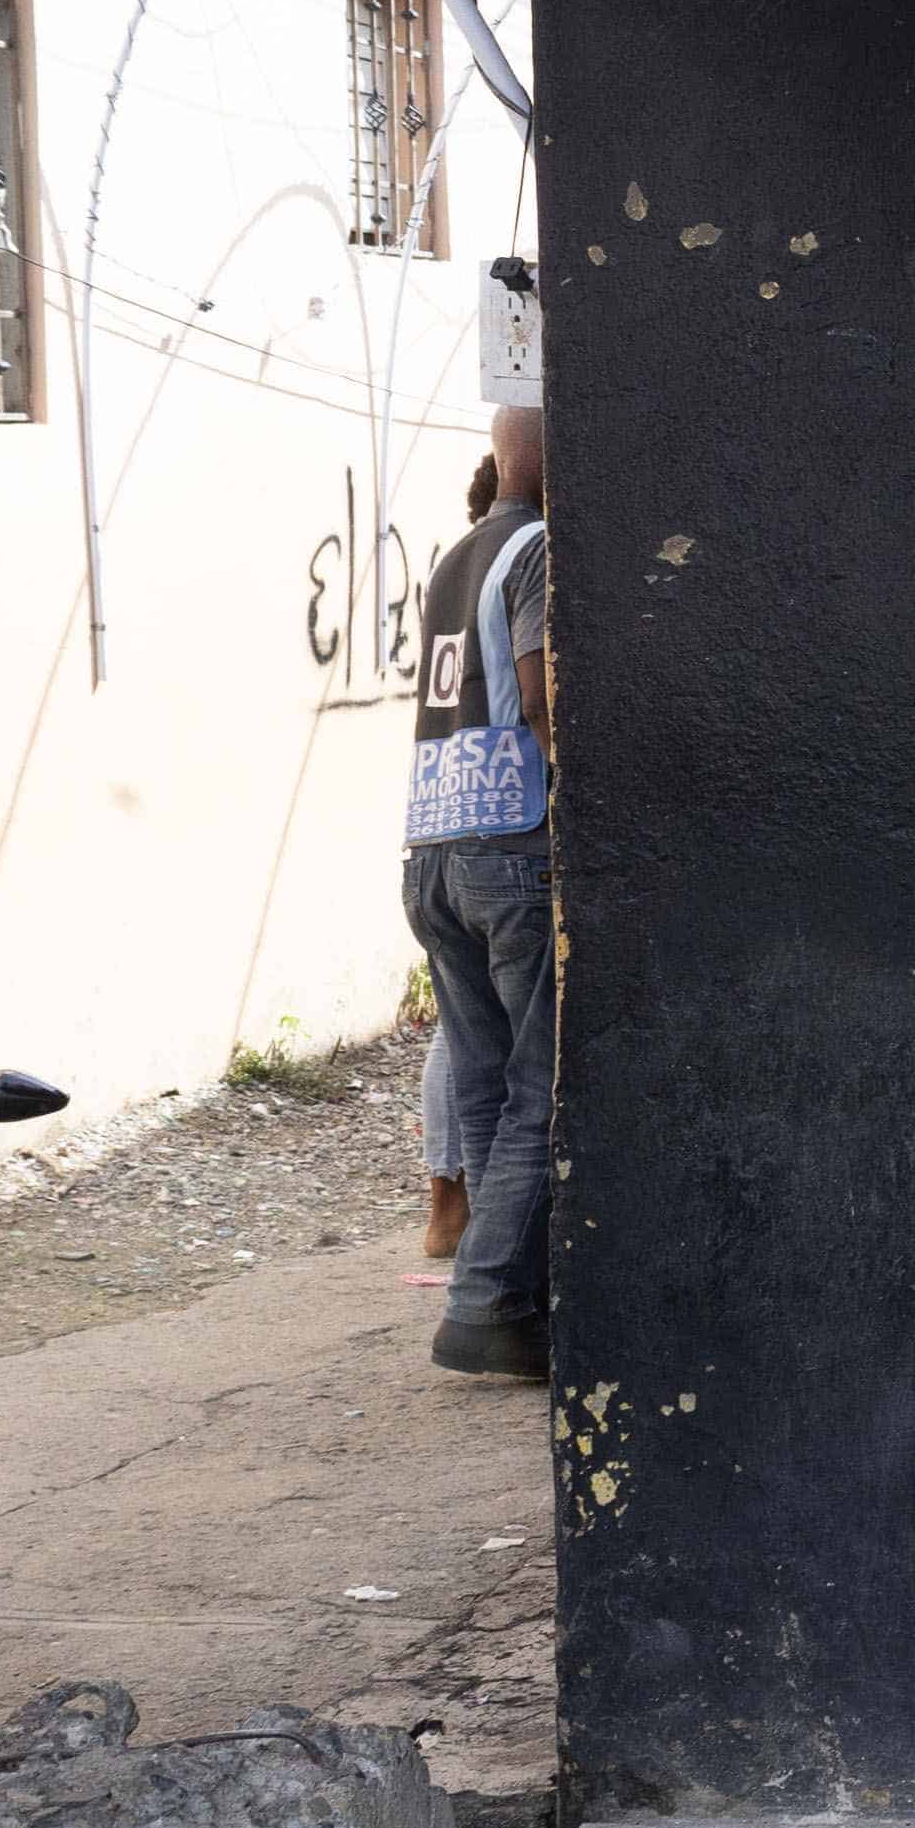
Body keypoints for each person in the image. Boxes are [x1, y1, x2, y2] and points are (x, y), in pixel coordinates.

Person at [402, 410, 554, 1378]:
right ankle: (487, 1302)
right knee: (544, 1089)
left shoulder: (456, 554)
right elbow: (540, 695)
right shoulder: (540, 549)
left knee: (486, 1084)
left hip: (433, 844)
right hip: (511, 843)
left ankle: (502, 1290)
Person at [417, 447, 504, 1273]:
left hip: (437, 816)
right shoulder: (513, 564)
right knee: (484, 1039)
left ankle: (451, 1203)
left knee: (461, 1029)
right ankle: (462, 1212)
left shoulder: (450, 567)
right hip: (493, 821)